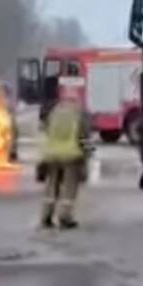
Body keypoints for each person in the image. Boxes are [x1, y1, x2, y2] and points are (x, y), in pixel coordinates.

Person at [39, 83, 89, 228]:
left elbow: (47, 131)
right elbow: (85, 137)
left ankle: (46, 216)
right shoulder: (79, 113)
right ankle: (65, 218)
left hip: (52, 154)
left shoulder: (55, 111)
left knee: (51, 186)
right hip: (71, 155)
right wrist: (88, 155)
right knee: (69, 188)